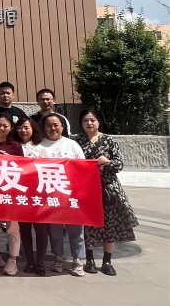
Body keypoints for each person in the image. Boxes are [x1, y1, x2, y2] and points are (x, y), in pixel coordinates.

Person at [74, 109, 138, 276]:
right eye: (85, 120)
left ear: (98, 122)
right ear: (81, 123)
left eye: (92, 120)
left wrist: (108, 162)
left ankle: (107, 261)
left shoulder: (109, 141)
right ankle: (89, 259)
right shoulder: (76, 141)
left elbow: (119, 165)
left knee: (109, 224)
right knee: (88, 225)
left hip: (108, 188)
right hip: (86, 189)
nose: (89, 123)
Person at [39, 113, 87, 277]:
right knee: (55, 231)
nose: (52, 128)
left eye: (56, 125)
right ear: (44, 127)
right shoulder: (40, 146)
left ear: (62, 127)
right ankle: (58, 258)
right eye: (49, 125)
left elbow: (83, 168)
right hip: (51, 196)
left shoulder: (72, 145)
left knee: (76, 230)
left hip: (72, 195)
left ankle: (77, 260)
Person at [0, 113, 23, 275]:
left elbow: (24, 167)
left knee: (12, 227)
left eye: (5, 125)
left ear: (11, 128)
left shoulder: (15, 145)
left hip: (10, 190)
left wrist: (11, 160)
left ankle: (12, 260)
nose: (1, 128)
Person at [14, 117, 50, 276]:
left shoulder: (41, 148)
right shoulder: (13, 147)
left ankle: (40, 262)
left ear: (33, 129)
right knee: (25, 229)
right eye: (19, 128)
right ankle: (29, 260)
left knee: (41, 229)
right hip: (20, 194)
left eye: (26, 127)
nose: (23, 131)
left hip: (38, 194)